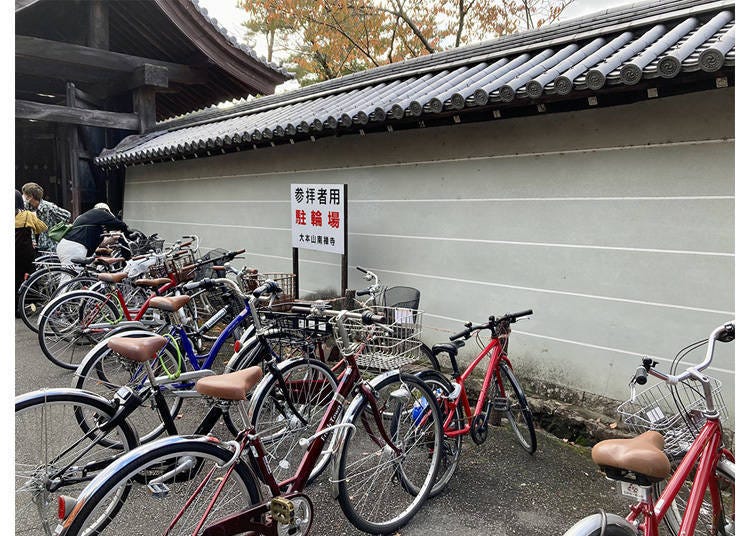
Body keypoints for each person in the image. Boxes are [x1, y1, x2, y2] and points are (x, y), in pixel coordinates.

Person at [56, 203, 129, 276]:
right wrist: (128, 233)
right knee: (69, 279)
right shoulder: (101, 213)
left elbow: (100, 243)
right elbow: (121, 225)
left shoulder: (87, 218)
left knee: (75, 276)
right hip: (74, 248)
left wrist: (112, 239)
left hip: (65, 245)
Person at [15, 190, 48, 311]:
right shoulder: (27, 215)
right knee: (30, 277)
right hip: (25, 253)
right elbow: (43, 227)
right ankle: (25, 305)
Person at [21, 182, 71, 254]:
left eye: (24, 194)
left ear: (30, 196)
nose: (23, 196)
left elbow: (67, 215)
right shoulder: (27, 207)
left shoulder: (49, 207)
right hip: (35, 244)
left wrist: (56, 229)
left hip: (50, 243)